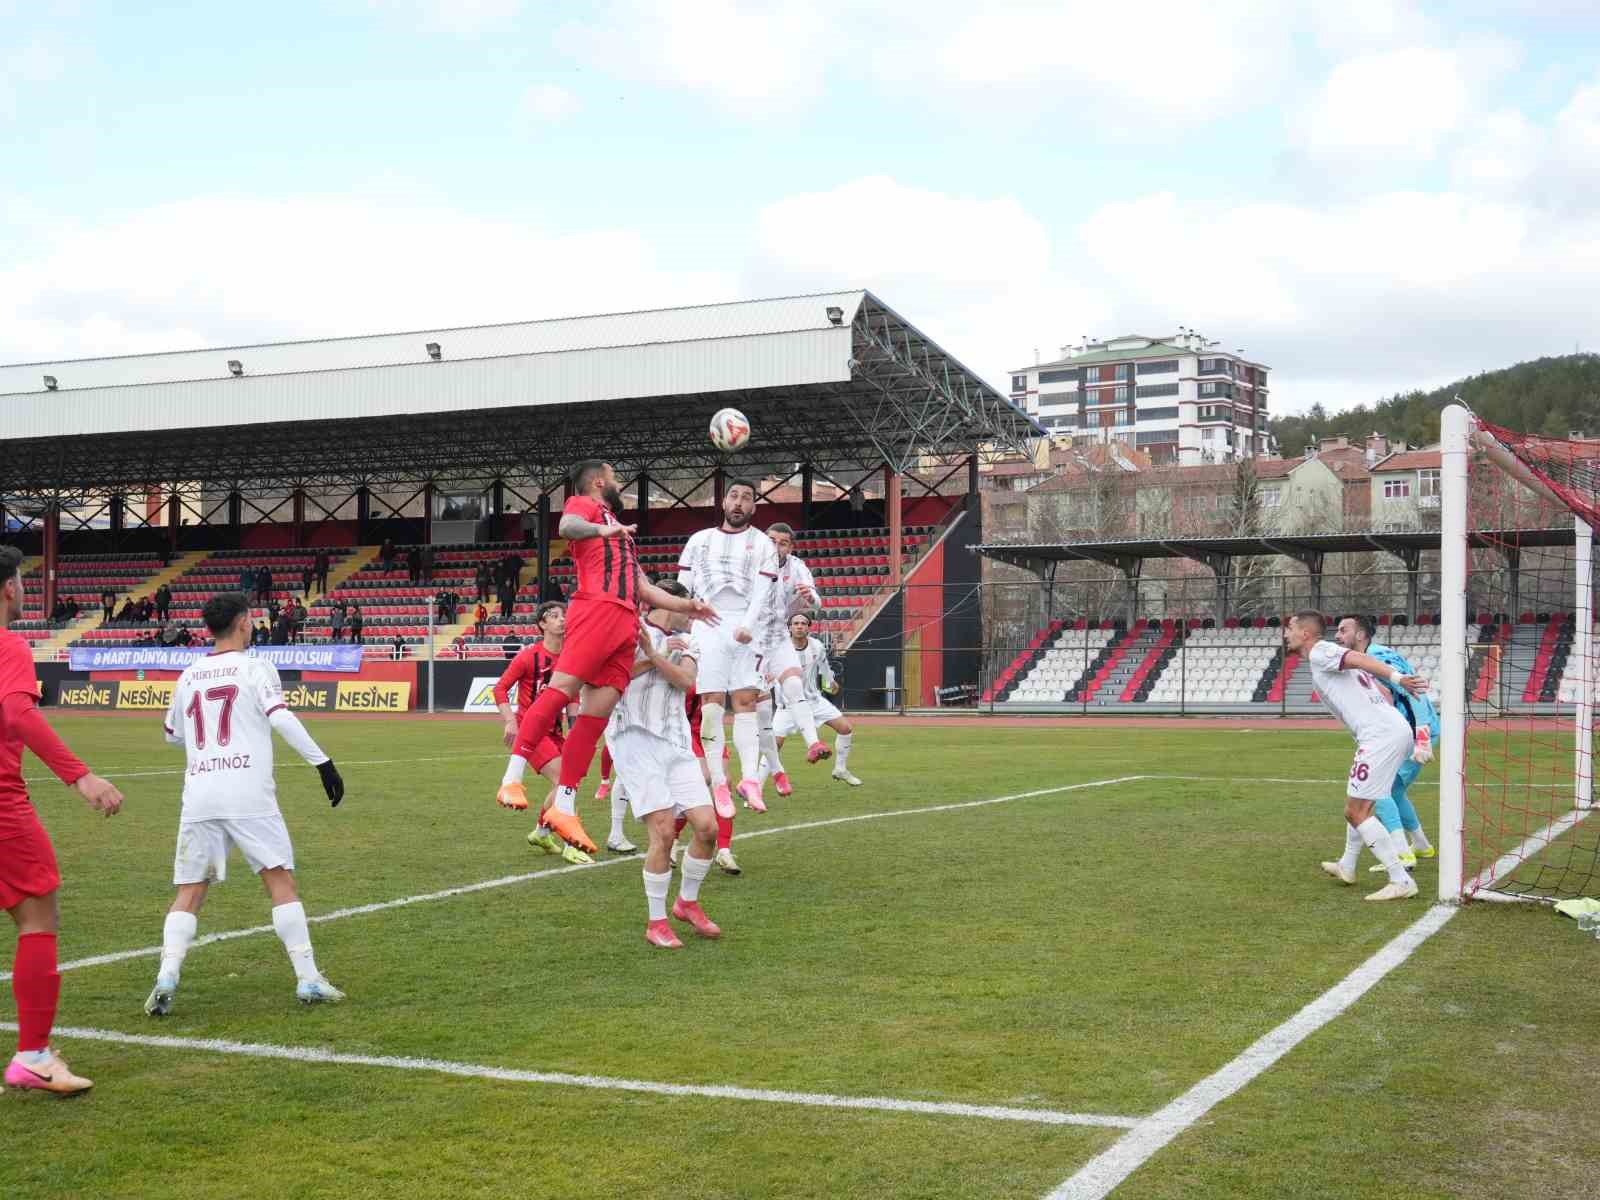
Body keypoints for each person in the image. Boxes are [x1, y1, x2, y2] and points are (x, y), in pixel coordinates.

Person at [494, 461, 716, 856]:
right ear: (599, 481)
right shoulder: (586, 505)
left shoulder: (622, 534)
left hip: (626, 622)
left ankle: (564, 805)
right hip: (598, 608)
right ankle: (512, 777)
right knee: (563, 688)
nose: (619, 483)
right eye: (614, 477)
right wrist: (602, 528)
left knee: (595, 716)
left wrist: (689, 605)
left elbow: (644, 587)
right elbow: (566, 528)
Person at [145, 591, 346, 1017]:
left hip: (199, 794)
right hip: (247, 792)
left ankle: (167, 975)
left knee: (190, 891)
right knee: (279, 881)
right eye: (251, 619)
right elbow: (280, 716)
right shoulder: (256, 667)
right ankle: (308, 978)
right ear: (242, 623)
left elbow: (171, 735)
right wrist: (323, 763)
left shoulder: (189, 676)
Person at [0, 547, 125, 1095]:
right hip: (3, 806)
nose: (26, 590)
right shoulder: (9, 645)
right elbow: (18, 712)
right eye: (24, 580)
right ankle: (33, 1056)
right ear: (8, 588)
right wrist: (81, 777)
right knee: (38, 918)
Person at [677, 480, 808, 816]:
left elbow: (764, 589)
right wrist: (687, 623)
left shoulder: (763, 543)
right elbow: (684, 587)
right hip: (707, 624)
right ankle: (719, 782)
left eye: (746, 498)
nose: (739, 503)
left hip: (745, 624)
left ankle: (750, 779)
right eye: (733, 496)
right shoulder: (699, 540)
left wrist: (749, 625)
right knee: (711, 702)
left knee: (747, 700)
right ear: (723, 502)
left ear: (754, 507)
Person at [605, 579, 723, 948]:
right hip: (633, 740)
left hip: (675, 742)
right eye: (687, 608)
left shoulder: (690, 642)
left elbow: (687, 681)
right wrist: (647, 653)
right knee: (663, 832)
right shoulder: (625, 631)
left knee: (708, 828)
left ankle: (686, 902)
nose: (693, 617)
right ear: (670, 604)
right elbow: (608, 679)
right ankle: (656, 922)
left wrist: (656, 657)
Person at [1280, 611, 1425, 901]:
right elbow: (1381, 693)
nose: (1286, 633)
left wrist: (1398, 678)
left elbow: (1359, 660)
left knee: (1355, 810)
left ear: (1305, 634)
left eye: (1290, 628)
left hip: (1380, 736)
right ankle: (1347, 865)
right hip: (1387, 731)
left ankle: (1401, 879)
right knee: (1362, 804)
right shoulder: (1326, 657)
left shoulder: (1321, 651)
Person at [495, 603, 609, 863]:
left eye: (563, 616)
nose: (561, 620)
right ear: (542, 624)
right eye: (553, 616)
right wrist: (510, 721)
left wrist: (574, 725)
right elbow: (500, 688)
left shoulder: (570, 657)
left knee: (572, 780)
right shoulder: (528, 656)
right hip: (531, 733)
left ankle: (541, 832)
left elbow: (571, 694)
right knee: (564, 780)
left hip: (556, 732)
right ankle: (571, 843)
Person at [1335, 616, 1438, 870]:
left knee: (1378, 791)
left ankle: (1402, 856)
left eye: (1342, 630)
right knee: (1394, 791)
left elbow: (1414, 692)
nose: (1337, 635)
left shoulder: (1378, 656)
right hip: (1407, 732)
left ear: (1360, 635)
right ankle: (1422, 846)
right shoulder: (1366, 658)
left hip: (1414, 732)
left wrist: (1422, 738)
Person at [754, 522, 823, 797]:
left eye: (783, 543)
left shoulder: (796, 566)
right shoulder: (750, 563)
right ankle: (775, 771)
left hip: (777, 637)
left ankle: (814, 743)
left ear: (790, 547)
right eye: (772, 540)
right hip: (750, 641)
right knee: (760, 715)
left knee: (794, 686)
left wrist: (811, 598)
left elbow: (815, 601)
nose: (776, 547)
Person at [766, 613, 860, 786]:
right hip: (787, 706)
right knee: (773, 747)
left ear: (809, 627)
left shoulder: (817, 646)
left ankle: (840, 769)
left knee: (845, 728)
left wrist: (830, 680)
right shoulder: (780, 649)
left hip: (814, 700)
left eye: (803, 623)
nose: (799, 626)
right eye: (795, 623)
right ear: (789, 627)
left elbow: (823, 665)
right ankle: (755, 787)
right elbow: (767, 669)